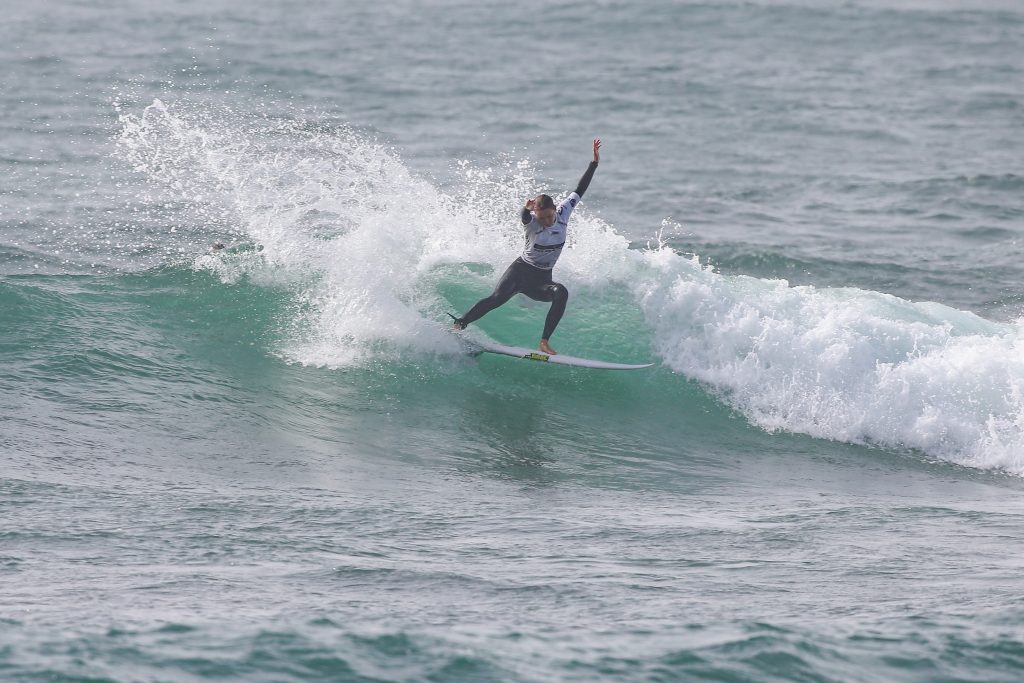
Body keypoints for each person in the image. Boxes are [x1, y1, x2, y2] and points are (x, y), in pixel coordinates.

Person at [451, 139, 601, 355]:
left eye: (549, 216)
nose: (547, 221)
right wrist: (526, 208)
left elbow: (580, 189)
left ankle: (544, 342)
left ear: (554, 210)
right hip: (519, 272)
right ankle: (460, 324)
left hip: (541, 280)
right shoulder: (531, 222)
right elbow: (523, 216)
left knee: (561, 293)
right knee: (496, 300)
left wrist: (594, 163)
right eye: (542, 218)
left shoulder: (563, 212)